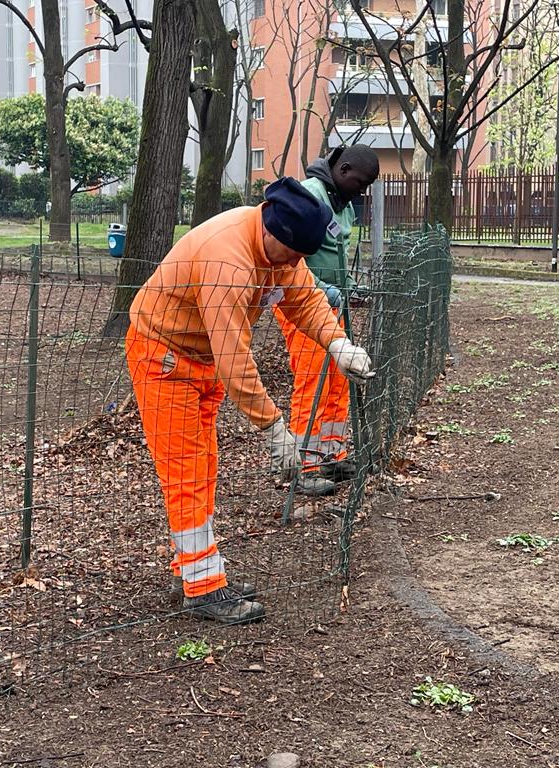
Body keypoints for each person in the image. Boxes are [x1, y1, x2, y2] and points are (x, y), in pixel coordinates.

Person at [126, 178, 374, 625]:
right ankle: (202, 587)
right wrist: (274, 428)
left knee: (202, 463)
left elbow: (305, 298)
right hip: (165, 359)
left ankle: (197, 570)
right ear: (271, 230)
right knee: (186, 468)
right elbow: (234, 360)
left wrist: (338, 345)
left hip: (198, 360)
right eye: (294, 253)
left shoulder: (281, 252)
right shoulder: (229, 260)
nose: (297, 262)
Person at [273, 145, 380, 497]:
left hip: (332, 303)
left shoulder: (342, 205)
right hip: (303, 307)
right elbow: (292, 265)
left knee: (337, 378)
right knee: (312, 379)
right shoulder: (310, 198)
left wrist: (350, 290)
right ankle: (304, 464)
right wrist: (334, 294)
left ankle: (330, 453)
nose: (361, 191)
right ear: (343, 168)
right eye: (360, 183)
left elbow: (337, 255)